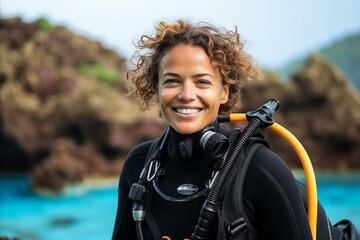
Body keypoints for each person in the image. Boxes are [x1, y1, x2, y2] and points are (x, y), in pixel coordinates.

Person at [111, 19, 358, 240]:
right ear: (157, 87)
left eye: (202, 82)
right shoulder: (139, 167)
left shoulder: (261, 170)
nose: (186, 95)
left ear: (224, 91)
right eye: (172, 81)